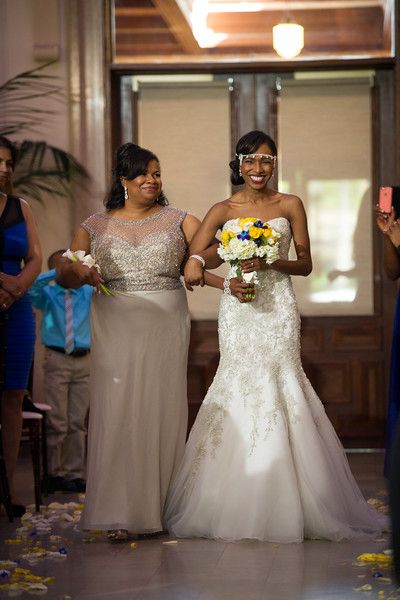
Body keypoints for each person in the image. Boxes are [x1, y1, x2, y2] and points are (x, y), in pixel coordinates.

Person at [164, 130, 383, 542]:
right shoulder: (222, 209)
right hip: (240, 308)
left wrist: (270, 260)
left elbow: (306, 265)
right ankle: (225, 498)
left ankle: (297, 498)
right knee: (237, 382)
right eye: (250, 160)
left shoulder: (290, 205)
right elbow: (191, 264)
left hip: (278, 307)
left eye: (266, 160)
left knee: (282, 380)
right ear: (239, 164)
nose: (258, 168)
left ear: (275, 163)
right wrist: (223, 282)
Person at [57, 143, 220, 542]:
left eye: (157, 173)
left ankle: (162, 505)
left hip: (165, 319)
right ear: (124, 180)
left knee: (159, 405)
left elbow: (214, 249)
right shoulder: (95, 224)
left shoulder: (178, 219)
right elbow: (63, 271)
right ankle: (117, 508)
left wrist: (197, 260)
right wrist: (78, 269)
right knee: (118, 406)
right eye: (144, 173)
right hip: (114, 319)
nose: (153, 180)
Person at [0, 135, 42, 517]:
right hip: (5, 289)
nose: (4, 169)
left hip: (17, 309)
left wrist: (15, 288)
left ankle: (8, 491)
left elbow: (35, 257)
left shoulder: (19, 206)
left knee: (13, 396)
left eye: (9, 162)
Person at [29, 249, 92, 493]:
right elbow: (32, 286)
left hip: (83, 360)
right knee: (58, 420)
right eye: (65, 268)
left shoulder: (86, 293)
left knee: (77, 421)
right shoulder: (47, 294)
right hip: (57, 359)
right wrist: (58, 270)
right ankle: (53, 473)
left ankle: (74, 472)